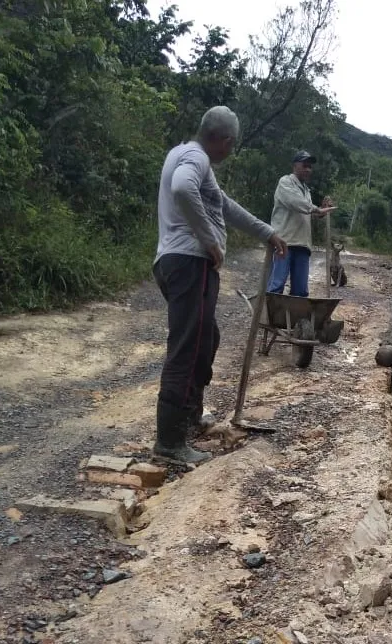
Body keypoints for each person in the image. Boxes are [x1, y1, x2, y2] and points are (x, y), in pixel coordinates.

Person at [153, 106, 287, 464]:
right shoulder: (195, 159)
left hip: (178, 263)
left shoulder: (186, 155)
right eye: (231, 145)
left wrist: (267, 232)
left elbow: (224, 205)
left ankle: (190, 417)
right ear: (224, 141)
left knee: (205, 338)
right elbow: (183, 189)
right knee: (186, 347)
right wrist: (209, 239)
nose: (230, 151)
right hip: (190, 263)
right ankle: (169, 441)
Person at [267, 151, 336, 297]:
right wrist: (317, 209)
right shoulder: (285, 182)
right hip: (283, 242)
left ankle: (295, 318)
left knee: (300, 291)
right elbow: (296, 203)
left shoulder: (306, 191)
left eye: (310, 167)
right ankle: (267, 317)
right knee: (276, 285)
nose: (308, 170)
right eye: (305, 166)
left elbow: (306, 212)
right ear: (295, 166)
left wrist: (321, 213)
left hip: (303, 245)